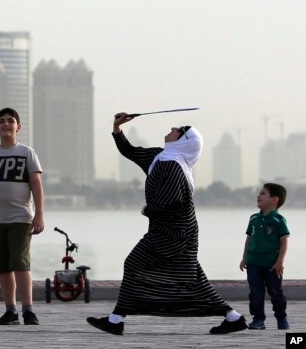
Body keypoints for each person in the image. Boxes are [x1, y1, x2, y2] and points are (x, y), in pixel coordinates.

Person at [87, 113, 247, 335]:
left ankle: (116, 320)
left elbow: (170, 199)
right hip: (174, 230)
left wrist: (148, 210)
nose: (172, 128)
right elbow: (130, 151)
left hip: (174, 232)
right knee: (192, 278)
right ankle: (233, 317)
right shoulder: (160, 157)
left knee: (133, 263)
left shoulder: (172, 164)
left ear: (184, 141)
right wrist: (117, 127)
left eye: (178, 129)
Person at [0, 107, 45, 326]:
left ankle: (29, 310)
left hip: (21, 218)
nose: (6, 124)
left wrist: (40, 214)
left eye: (10, 121)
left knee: (21, 264)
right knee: (3, 267)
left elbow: (36, 184)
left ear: (18, 126)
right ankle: (10, 310)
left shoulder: (26, 152)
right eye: (2, 121)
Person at [239, 182, 290, 330]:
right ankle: (258, 319)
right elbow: (249, 238)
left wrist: (280, 262)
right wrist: (244, 257)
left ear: (274, 200)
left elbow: (284, 242)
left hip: (272, 264)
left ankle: (281, 318)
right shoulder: (253, 218)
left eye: (263, 193)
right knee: (255, 293)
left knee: (276, 292)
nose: (258, 196)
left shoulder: (279, 221)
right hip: (253, 263)